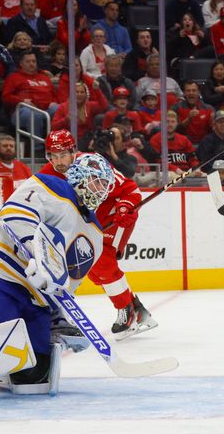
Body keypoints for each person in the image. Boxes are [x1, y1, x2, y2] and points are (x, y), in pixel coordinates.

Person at [0, 153, 113, 392]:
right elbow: (14, 214)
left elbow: (66, 282)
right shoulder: (52, 185)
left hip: (36, 303)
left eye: (106, 184)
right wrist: (34, 249)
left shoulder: (96, 235)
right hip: (0, 278)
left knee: (35, 375)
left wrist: (58, 315)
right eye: (98, 180)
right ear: (80, 177)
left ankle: (3, 371)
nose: (102, 189)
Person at [39, 130, 157, 338]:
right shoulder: (49, 172)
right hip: (91, 221)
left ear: (73, 151)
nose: (58, 161)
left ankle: (127, 313)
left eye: (62, 155)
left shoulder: (92, 165)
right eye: (53, 156)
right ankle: (137, 310)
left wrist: (125, 207)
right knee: (91, 267)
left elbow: (131, 190)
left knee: (102, 260)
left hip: (117, 214)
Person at [1, 51, 57, 152]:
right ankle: (38, 149)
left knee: (59, 109)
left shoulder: (44, 78)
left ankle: (57, 145)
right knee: (34, 114)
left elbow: (55, 96)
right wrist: (22, 100)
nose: (32, 64)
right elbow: (6, 97)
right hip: (23, 110)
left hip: (45, 109)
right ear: (21, 63)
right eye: (28, 61)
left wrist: (54, 102)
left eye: (34, 61)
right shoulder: (13, 77)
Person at [173, 80, 216, 145]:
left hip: (204, 145)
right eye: (188, 90)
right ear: (184, 93)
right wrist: (189, 119)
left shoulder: (209, 109)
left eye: (194, 90)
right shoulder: (176, 108)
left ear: (198, 92)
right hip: (182, 144)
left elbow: (214, 132)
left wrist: (213, 125)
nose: (191, 93)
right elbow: (174, 130)